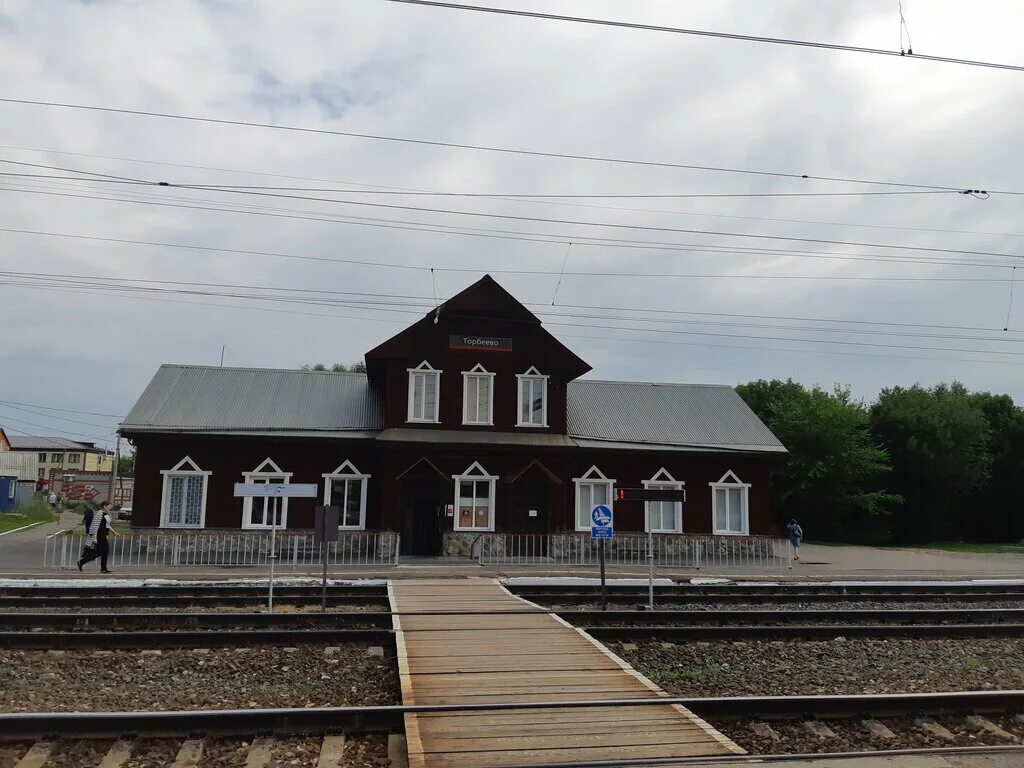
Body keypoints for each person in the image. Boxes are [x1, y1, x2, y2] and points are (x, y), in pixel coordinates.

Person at [78, 501, 119, 573]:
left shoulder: (106, 515)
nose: (110, 508)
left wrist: (114, 532)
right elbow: (95, 527)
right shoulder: (99, 514)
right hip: (99, 535)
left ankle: (83, 562)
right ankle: (102, 569)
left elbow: (107, 525)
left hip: (103, 535)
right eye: (109, 506)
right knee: (103, 551)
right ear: (104, 506)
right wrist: (94, 537)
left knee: (101, 552)